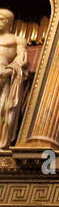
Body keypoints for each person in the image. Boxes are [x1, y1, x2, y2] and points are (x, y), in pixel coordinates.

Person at [0, 9, 28, 150]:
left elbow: (21, 59)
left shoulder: (17, 40)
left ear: (9, 22)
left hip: (5, 78)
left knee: (3, 110)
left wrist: (11, 70)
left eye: (1, 19)